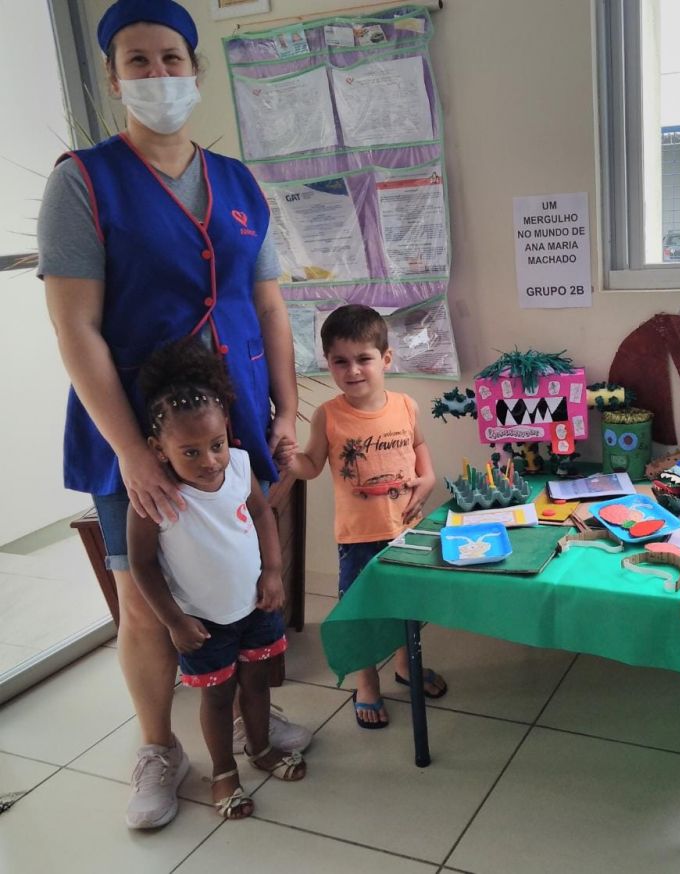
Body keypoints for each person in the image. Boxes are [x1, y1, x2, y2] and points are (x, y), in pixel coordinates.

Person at [37, 0, 309, 829]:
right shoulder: (83, 182)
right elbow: (76, 328)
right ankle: (159, 747)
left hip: (235, 423)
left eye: (170, 58)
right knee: (147, 598)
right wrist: (130, 450)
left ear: (194, 69)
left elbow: (269, 305)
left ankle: (249, 716)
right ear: (113, 78)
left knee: (245, 573)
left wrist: (289, 407)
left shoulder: (237, 182)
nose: (157, 74)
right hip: (137, 430)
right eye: (138, 61)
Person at [128, 340, 306, 820]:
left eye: (216, 445)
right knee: (218, 696)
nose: (209, 461)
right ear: (158, 449)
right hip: (203, 624)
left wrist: (273, 573)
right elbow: (141, 564)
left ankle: (261, 747)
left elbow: (262, 513)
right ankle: (224, 771)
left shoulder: (240, 466)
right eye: (190, 451)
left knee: (258, 684)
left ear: (227, 428)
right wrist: (174, 621)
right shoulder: (153, 498)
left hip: (255, 606)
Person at [279, 305, 447, 727]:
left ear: (385, 359)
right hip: (358, 537)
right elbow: (311, 466)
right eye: (340, 361)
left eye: (363, 359)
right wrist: (287, 458)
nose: (353, 370)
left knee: (407, 604)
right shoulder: (329, 415)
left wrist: (428, 478)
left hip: (407, 530)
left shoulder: (406, 405)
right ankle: (366, 682)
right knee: (361, 612)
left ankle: (406, 666)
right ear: (328, 363)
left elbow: (419, 445)